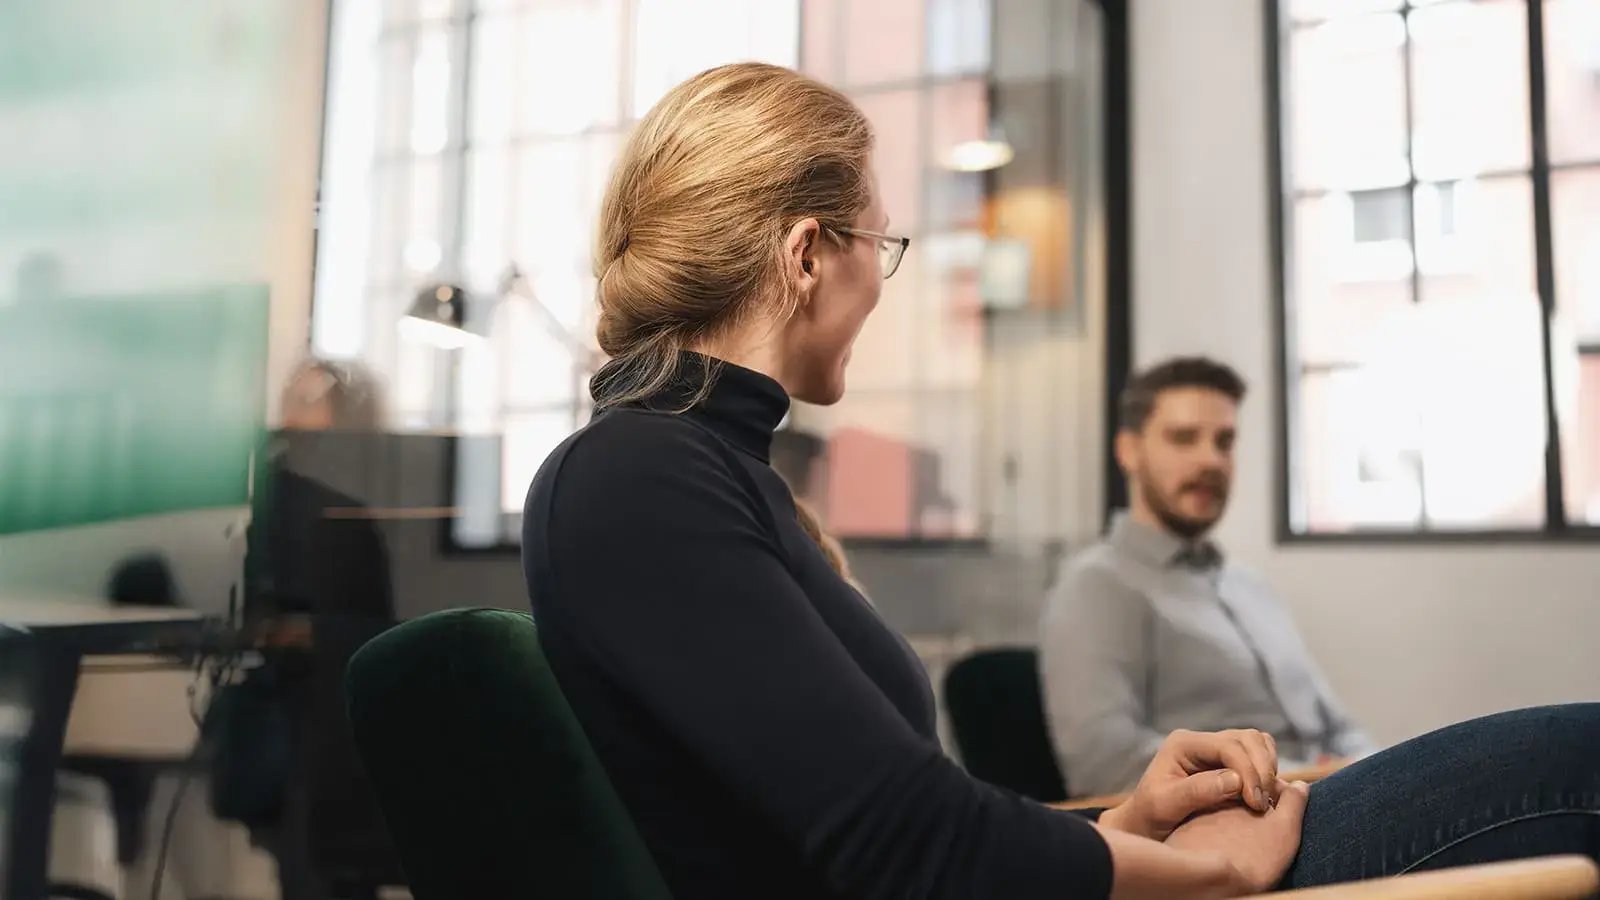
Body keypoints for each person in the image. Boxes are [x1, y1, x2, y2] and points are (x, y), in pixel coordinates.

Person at [520, 61, 1600, 900]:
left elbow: (911, 834)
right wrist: (1212, 870)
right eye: (877, 245)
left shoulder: (690, 475)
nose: (881, 282)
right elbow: (911, 844)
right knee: (1576, 768)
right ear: (806, 255)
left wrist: (1123, 826)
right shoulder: (640, 478)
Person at [1039, 357, 1378, 796]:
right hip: (1248, 824)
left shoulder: (1250, 587)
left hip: (1333, 800)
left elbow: (1340, 728)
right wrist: (1302, 781)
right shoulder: (1097, 585)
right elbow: (1105, 762)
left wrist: (1383, 774)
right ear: (1129, 452)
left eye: (1225, 441)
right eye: (1184, 439)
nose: (1211, 460)